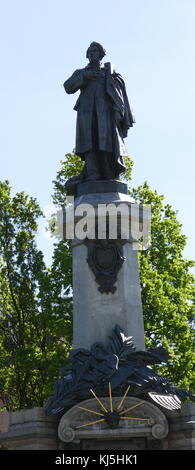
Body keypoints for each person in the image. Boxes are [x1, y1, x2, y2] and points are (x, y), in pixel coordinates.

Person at [64, 42, 135, 182]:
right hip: (86, 113)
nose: (92, 53)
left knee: (106, 142)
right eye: (90, 51)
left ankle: (109, 173)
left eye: (95, 51)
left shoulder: (108, 72)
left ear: (101, 54)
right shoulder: (81, 72)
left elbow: (118, 92)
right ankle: (92, 174)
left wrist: (118, 111)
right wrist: (85, 77)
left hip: (105, 113)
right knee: (89, 143)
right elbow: (68, 87)